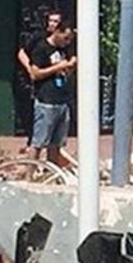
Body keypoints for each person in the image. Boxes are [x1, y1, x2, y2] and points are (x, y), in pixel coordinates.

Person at [25, 22, 77, 163]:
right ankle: (30, 174)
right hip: (46, 102)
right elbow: (35, 74)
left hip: (62, 100)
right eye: (65, 38)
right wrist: (58, 67)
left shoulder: (63, 50)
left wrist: (70, 67)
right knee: (38, 142)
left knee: (56, 144)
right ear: (57, 32)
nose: (67, 42)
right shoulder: (41, 48)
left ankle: (53, 173)